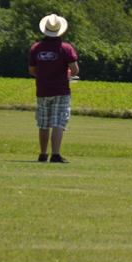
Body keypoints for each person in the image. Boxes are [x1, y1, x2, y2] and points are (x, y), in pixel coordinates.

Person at [28, 13, 79, 163]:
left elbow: (32, 70)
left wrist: (44, 75)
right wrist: (68, 73)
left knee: (44, 124)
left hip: (42, 90)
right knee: (58, 122)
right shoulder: (66, 48)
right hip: (61, 90)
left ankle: (43, 154)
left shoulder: (36, 48)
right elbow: (75, 69)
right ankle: (55, 154)